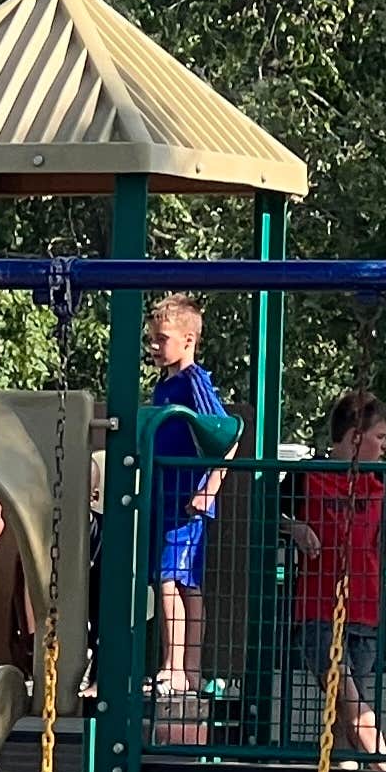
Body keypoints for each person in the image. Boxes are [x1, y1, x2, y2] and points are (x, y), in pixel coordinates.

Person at [280, 390, 386, 758]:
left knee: (343, 710)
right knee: (352, 702)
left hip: (364, 614)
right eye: (379, 437)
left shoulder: (382, 480)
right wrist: (295, 528)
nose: (384, 447)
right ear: (354, 437)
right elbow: (267, 512)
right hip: (319, 613)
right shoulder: (309, 475)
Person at [140, 294, 228, 695]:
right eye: (153, 339)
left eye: (162, 339)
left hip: (186, 498)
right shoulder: (166, 385)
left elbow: (227, 434)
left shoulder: (194, 382)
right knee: (179, 580)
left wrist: (209, 489)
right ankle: (185, 669)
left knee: (172, 580)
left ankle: (177, 666)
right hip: (166, 494)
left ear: (189, 340)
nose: (154, 347)